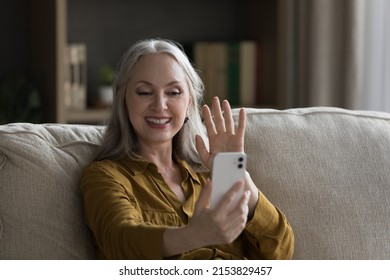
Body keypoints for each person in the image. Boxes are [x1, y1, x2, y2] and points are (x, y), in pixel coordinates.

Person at [80, 38, 294, 260]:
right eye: (144, 92)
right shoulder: (103, 176)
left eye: (173, 93)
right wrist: (193, 235)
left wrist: (235, 173)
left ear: (189, 102)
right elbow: (121, 241)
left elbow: (281, 251)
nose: (160, 105)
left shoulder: (209, 176)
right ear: (123, 100)